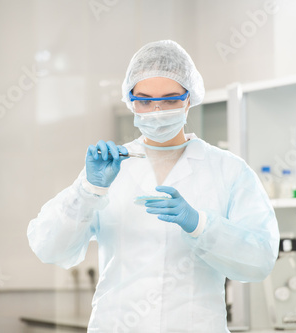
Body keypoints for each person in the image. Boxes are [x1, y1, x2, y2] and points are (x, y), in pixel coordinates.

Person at [27, 40, 279, 332]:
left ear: (189, 98)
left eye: (171, 99)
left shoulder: (228, 170)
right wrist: (89, 191)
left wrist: (200, 225)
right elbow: (49, 247)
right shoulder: (108, 167)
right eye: (144, 100)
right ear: (129, 99)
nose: (157, 110)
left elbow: (259, 261)